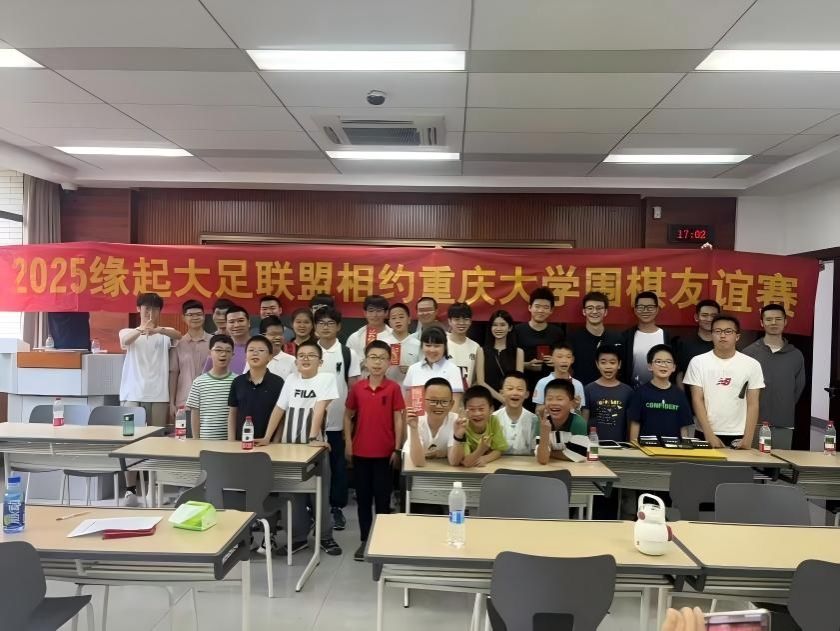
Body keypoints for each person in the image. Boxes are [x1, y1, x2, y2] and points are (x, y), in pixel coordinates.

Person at [262, 340, 342, 556]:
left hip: (315, 448)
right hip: (289, 448)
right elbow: (279, 409)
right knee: (292, 495)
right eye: (301, 355)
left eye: (311, 355)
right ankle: (297, 538)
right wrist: (267, 437)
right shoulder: (291, 379)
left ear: (320, 361)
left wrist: (313, 437)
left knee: (320, 494)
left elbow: (319, 408)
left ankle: (325, 537)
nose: (305, 359)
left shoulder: (326, 378)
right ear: (296, 361)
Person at [119, 292, 182, 506]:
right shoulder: (128, 332)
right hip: (131, 395)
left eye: (155, 309)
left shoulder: (164, 335)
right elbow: (125, 340)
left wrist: (157, 329)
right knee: (130, 441)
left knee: (157, 443)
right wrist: (141, 329)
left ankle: (153, 488)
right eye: (146, 309)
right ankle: (130, 490)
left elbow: (178, 335)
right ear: (139, 309)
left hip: (159, 395)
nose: (150, 313)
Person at [344, 340, 405, 561]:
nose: (377, 362)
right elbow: (348, 415)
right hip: (361, 452)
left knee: (382, 499)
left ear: (389, 362)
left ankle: (382, 540)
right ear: (365, 361)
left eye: (382, 358)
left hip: (385, 454)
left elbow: (398, 419)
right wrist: (348, 443)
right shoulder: (358, 388)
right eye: (373, 357)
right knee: (363, 499)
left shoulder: (393, 388)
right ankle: (365, 540)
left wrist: (397, 448)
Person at [683, 315, 765, 449]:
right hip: (705, 432)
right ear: (711, 335)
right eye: (718, 331)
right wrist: (709, 434)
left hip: (738, 434)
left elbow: (753, 404)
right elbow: (697, 399)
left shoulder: (752, 365)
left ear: (737, 336)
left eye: (728, 331)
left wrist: (748, 438)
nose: (722, 335)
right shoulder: (698, 362)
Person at [314, 307, 361, 532]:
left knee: (338, 468)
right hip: (311, 425)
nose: (326, 327)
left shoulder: (348, 353)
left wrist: (348, 422)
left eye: (330, 323)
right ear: (315, 327)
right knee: (311, 469)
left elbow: (353, 390)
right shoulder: (308, 351)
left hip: (337, 422)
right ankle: (312, 510)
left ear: (339, 326)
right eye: (321, 323)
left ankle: (336, 508)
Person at [742, 304, 806, 450]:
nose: (773, 323)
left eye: (778, 319)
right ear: (762, 322)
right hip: (753, 422)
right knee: (752, 460)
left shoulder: (796, 355)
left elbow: (798, 388)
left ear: (785, 322)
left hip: (783, 422)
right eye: (769, 319)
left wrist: (783, 404)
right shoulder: (748, 353)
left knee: (780, 461)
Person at [628, 344, 693, 441]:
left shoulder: (679, 395)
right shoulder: (640, 393)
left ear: (674, 367)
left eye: (668, 362)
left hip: (673, 447)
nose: (663, 365)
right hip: (647, 448)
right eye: (658, 361)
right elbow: (635, 423)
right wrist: (635, 446)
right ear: (650, 366)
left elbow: (683, 427)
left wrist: (685, 446)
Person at [226, 335, 284, 442]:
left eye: (261, 350)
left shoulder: (278, 382)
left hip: (269, 442)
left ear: (270, 357)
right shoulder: (237, 382)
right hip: (241, 442)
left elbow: (282, 416)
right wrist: (231, 441)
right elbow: (232, 413)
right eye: (251, 350)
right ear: (245, 356)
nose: (255, 353)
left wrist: (276, 441)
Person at [514, 287, 564, 400]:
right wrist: (526, 365)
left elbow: (565, 358)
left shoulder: (557, 333)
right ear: (530, 307)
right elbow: (509, 360)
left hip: (550, 387)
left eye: (546, 307)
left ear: (551, 310)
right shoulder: (518, 331)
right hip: (523, 386)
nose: (541, 310)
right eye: (537, 306)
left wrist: (556, 362)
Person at [566, 292, 622, 386]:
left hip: (611, 390)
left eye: (599, 308)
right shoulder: (572, 338)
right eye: (590, 308)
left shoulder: (617, 338)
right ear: (584, 311)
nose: (594, 312)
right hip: (581, 390)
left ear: (605, 312)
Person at [185, 334, 236, 439]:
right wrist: (196, 440)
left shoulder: (237, 381)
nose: (223, 354)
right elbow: (195, 414)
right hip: (205, 440)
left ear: (233, 355)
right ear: (209, 353)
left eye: (228, 351)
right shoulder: (199, 382)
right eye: (218, 350)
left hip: (230, 442)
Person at [169, 299, 211, 420]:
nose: (195, 317)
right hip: (184, 400)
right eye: (190, 315)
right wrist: (171, 403)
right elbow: (174, 374)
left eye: (198, 314)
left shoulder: (213, 342)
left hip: (209, 400)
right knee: (184, 431)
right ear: (183, 318)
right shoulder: (178, 343)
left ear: (204, 316)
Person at [403, 326, 465, 409]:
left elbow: (454, 406)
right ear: (422, 346)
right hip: (417, 417)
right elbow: (408, 404)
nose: (432, 350)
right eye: (428, 345)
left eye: (436, 346)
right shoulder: (413, 369)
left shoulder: (453, 370)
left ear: (445, 347)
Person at [403, 377, 459, 467]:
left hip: (441, 466)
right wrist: (413, 428)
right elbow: (418, 463)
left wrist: (459, 437)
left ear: (451, 404)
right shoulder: (415, 419)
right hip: (411, 465)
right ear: (423, 401)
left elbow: (454, 462)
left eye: (444, 401)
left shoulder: (455, 420)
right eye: (433, 401)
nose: (439, 406)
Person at [448, 386, 508, 468]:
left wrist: (485, 458)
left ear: (491, 409)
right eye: (472, 409)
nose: (477, 413)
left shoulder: (493, 421)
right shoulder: (463, 427)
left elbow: (499, 449)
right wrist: (481, 450)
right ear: (465, 410)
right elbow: (466, 462)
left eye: (481, 409)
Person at [621, 291, 672, 387]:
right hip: (633, 391)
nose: (645, 311)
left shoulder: (666, 336)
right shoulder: (626, 336)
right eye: (641, 307)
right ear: (635, 310)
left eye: (650, 307)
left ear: (657, 309)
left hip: (661, 390)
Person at [585, 345, 634, 442]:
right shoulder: (588, 389)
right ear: (597, 364)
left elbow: (630, 423)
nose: (608, 366)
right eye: (603, 362)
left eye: (612, 362)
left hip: (620, 446)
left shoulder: (628, 391)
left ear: (619, 364)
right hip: (594, 445)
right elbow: (584, 421)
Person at [475, 309, 524, 406]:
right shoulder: (481, 351)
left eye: (502, 325)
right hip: (488, 401)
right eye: (495, 325)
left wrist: (508, 400)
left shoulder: (518, 352)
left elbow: (519, 381)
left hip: (511, 401)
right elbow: (481, 382)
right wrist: (503, 400)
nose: (498, 328)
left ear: (510, 328)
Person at [535, 379, 588, 464]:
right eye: (549, 399)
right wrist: (544, 433)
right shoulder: (542, 422)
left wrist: (549, 453)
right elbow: (542, 460)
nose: (554, 403)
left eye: (559, 399)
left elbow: (578, 455)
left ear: (572, 403)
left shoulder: (578, 423)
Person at [533, 343, 587, 420]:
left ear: (572, 360)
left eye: (568, 357)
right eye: (559, 356)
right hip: (548, 424)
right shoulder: (542, 382)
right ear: (551, 359)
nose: (564, 360)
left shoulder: (578, 384)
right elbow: (537, 411)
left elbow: (578, 415)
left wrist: (576, 406)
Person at [676, 299, 720, 390]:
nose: (709, 319)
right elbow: (679, 374)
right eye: (704, 315)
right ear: (696, 317)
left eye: (713, 316)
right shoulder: (684, 343)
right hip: (689, 396)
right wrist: (682, 397)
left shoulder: (725, 343)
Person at [494, 371, 539, 455]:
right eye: (510, 388)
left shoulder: (534, 420)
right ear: (501, 393)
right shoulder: (493, 418)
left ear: (526, 394)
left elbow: (536, 450)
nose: (515, 393)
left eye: (520, 389)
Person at [378, 302, 421, 387]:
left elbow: (424, 370)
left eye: (401, 317)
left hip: (410, 389)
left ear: (409, 320)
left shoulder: (418, 344)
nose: (397, 321)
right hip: (386, 388)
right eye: (394, 318)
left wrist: (411, 370)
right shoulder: (382, 343)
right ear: (390, 322)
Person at [203, 305, 249, 374]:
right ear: (226, 325)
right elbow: (206, 377)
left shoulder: (259, 345)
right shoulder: (218, 348)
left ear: (248, 322)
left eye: (241, 320)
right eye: (231, 322)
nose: (236, 325)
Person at [446, 302, 480, 388]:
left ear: (470, 321)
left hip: (466, 394)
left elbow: (477, 378)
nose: (461, 323)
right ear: (449, 321)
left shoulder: (476, 347)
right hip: (444, 393)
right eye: (457, 319)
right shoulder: (442, 343)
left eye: (465, 319)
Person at [346, 295, 392, 359]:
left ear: (386, 313)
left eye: (379, 311)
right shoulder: (355, 337)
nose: (375, 315)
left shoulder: (395, 336)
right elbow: (348, 362)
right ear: (365, 313)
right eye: (371, 311)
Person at [259, 315, 296, 379]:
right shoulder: (254, 358)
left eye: (280, 334)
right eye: (273, 334)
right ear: (262, 336)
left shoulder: (292, 361)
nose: (278, 337)